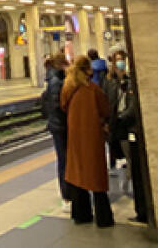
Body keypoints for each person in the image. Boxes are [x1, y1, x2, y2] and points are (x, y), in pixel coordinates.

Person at [60, 56, 112, 227]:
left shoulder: (67, 89)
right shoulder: (93, 90)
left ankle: (81, 214)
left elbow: (63, 107)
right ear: (87, 70)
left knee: (78, 174)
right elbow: (105, 109)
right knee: (95, 175)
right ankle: (103, 217)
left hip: (75, 136)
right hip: (92, 136)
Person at [106, 50, 148, 223]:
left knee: (131, 158)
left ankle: (132, 188)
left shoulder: (130, 82)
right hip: (116, 127)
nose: (119, 64)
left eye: (121, 60)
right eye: (117, 61)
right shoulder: (110, 82)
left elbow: (131, 107)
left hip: (128, 128)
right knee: (121, 154)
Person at [41, 52, 69, 206]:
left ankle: (68, 192)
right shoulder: (56, 81)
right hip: (60, 126)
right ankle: (66, 194)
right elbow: (58, 105)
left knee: (64, 159)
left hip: (57, 125)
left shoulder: (54, 79)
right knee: (64, 160)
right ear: (61, 64)